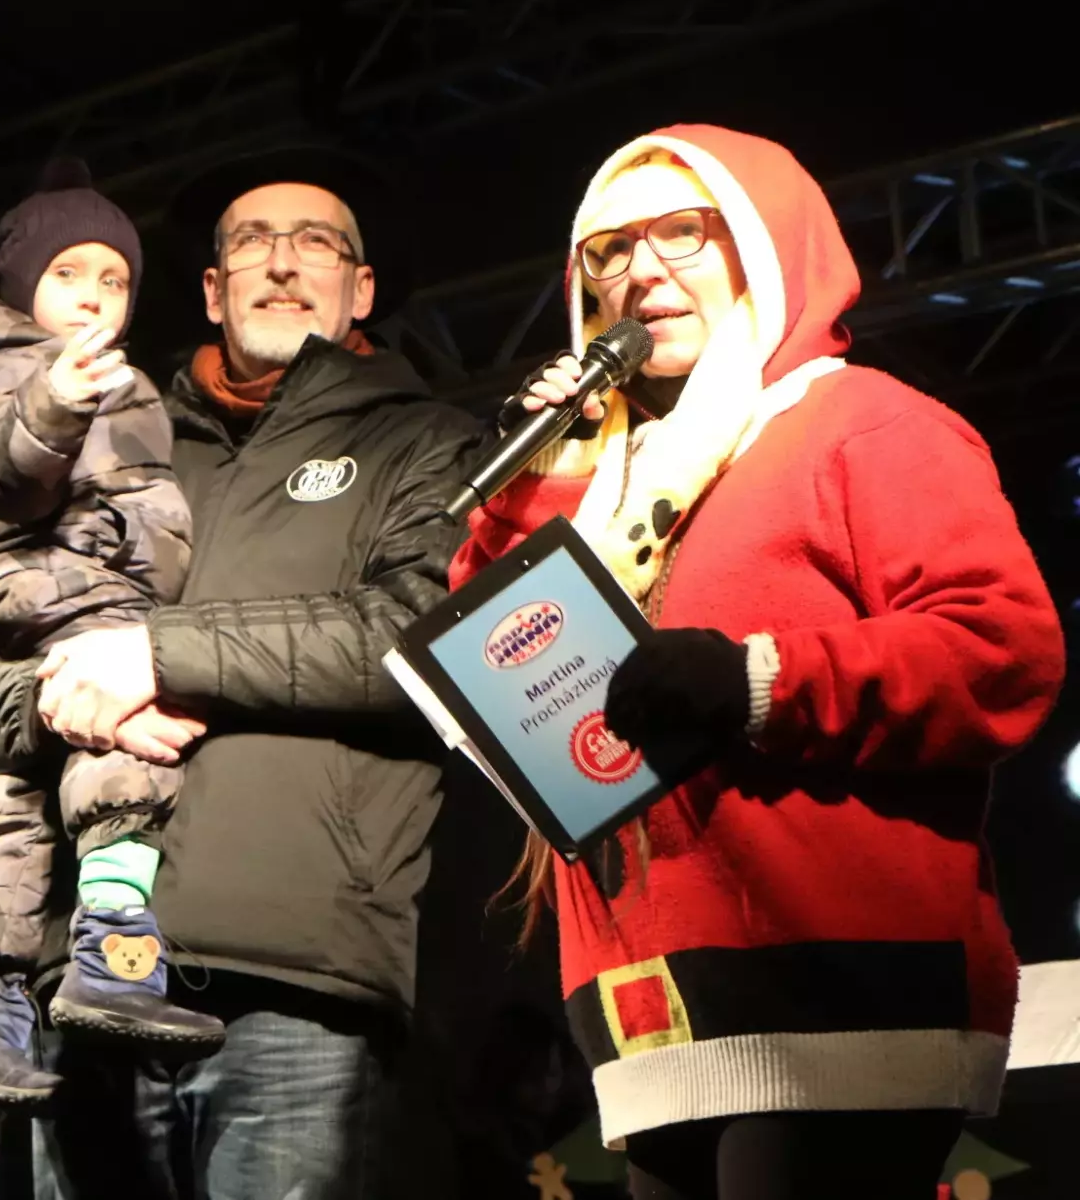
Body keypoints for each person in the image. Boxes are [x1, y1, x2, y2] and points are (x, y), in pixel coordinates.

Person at [449, 124, 1066, 1200]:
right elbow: (497, 651)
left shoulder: (859, 423)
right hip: (650, 1004)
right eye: (609, 248)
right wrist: (536, 477)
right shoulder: (598, 478)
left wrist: (755, 679)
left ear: (763, 244)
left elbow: (998, 649)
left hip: (837, 991)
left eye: (682, 231)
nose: (641, 270)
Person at [0, 146, 488, 1197]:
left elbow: (421, 635)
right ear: (211, 288)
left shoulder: (429, 443)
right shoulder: (105, 427)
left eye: (314, 241)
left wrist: (155, 651)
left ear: (361, 285)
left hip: (296, 983)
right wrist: (49, 696)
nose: (280, 262)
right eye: (250, 243)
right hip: (87, 978)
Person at [0, 159, 226, 1111]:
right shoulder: (1, 368)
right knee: (127, 728)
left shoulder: (95, 373)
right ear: (21, 287)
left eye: (113, 278)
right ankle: (117, 951)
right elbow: (1, 475)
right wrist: (55, 401)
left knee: (21, 794)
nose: (92, 296)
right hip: (53, 583)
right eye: (68, 273)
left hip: (58, 581)